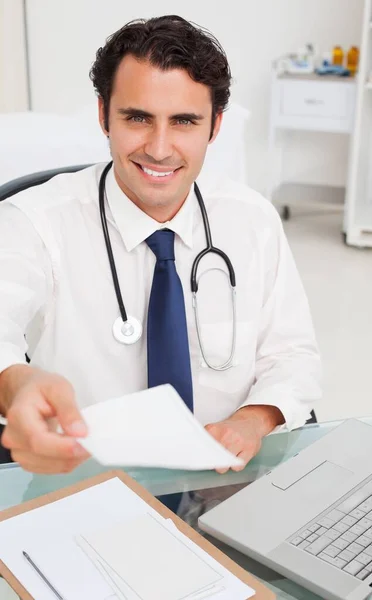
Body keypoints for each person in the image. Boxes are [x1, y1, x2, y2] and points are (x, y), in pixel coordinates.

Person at [0, 15, 321, 479]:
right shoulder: (35, 221)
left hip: (225, 479)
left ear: (215, 127)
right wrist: (16, 382)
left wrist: (256, 419)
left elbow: (293, 355)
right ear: (103, 115)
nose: (160, 148)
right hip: (86, 478)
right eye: (138, 118)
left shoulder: (253, 219)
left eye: (185, 121)